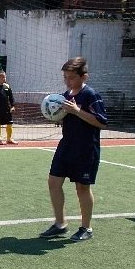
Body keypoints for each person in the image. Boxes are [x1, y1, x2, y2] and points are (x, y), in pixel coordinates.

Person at [40, 57, 108, 242]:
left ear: (84, 76)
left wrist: (77, 111)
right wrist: (56, 114)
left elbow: (102, 122)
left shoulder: (91, 95)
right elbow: (67, 117)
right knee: (53, 182)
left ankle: (86, 228)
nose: (68, 81)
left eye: (71, 77)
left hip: (85, 148)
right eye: (65, 77)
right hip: (67, 145)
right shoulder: (66, 95)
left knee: (82, 188)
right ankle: (60, 224)